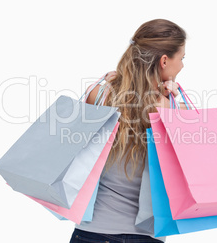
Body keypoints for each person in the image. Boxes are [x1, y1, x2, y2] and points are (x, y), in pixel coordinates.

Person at [69, 19, 188, 243]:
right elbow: (188, 167)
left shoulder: (99, 95)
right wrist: (175, 101)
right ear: (164, 60)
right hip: (146, 236)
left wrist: (106, 87)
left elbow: (78, 150)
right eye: (181, 58)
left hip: (91, 231)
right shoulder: (171, 108)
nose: (181, 66)